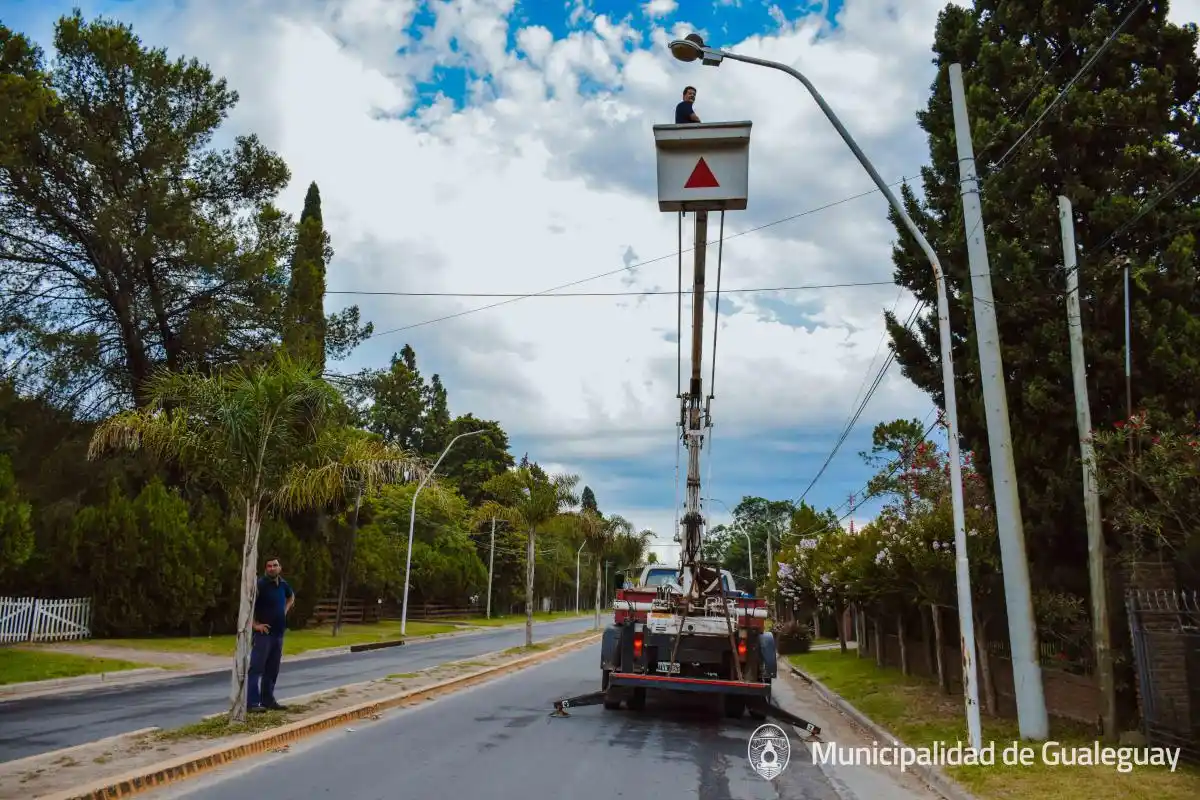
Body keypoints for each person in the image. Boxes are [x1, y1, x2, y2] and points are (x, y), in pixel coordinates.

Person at [247, 556, 295, 713]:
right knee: (256, 668)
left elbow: (291, 597)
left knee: (272, 669)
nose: (272, 568)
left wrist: (284, 610)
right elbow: (248, 606)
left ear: (280, 567)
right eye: (269, 566)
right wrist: (255, 625)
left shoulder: (283, 584)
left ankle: (268, 700)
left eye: (275, 565)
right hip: (264, 634)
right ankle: (252, 703)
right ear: (265, 569)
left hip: (278, 634)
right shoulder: (260, 585)